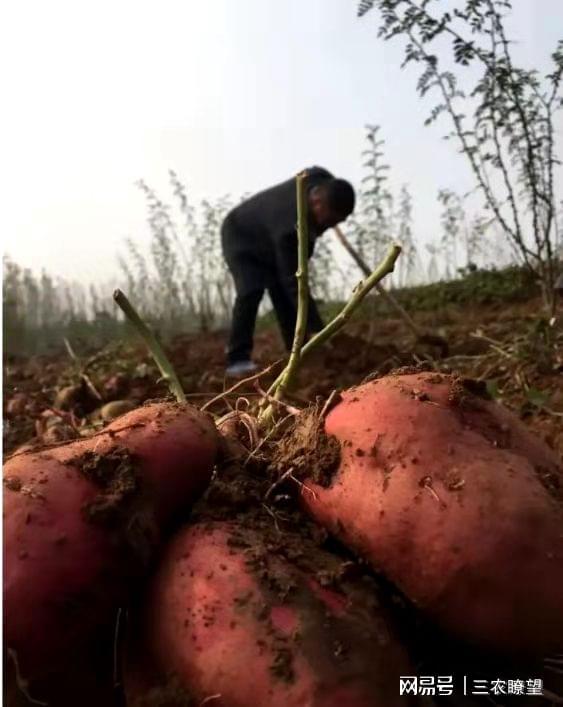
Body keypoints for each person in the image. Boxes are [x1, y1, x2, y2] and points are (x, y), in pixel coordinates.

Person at [221, 166, 355, 376]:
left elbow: (314, 171)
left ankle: (297, 351)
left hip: (269, 235)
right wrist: (318, 329)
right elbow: (295, 282)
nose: (328, 226)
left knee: (281, 292)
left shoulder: (319, 178)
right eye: (328, 221)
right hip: (240, 234)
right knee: (251, 290)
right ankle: (237, 359)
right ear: (317, 203)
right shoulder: (290, 227)